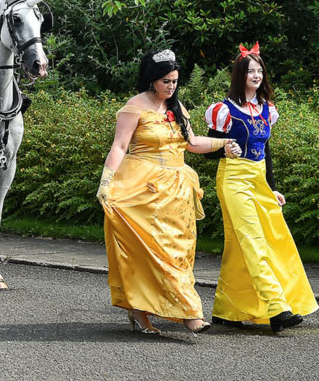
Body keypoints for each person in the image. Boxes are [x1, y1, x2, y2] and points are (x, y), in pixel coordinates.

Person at [96, 49, 233, 334]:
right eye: (166, 81)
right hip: (144, 190)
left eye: (174, 81)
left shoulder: (177, 108)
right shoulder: (134, 107)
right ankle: (177, 314)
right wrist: (106, 181)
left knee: (179, 253)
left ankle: (172, 309)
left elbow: (192, 142)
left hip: (178, 192)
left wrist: (223, 143)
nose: (171, 86)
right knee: (150, 253)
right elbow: (120, 146)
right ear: (152, 80)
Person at [203, 43, 318, 332]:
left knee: (265, 241)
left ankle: (227, 308)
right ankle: (276, 307)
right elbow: (206, 148)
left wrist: (272, 187)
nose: (256, 75)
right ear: (239, 75)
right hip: (233, 178)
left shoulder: (267, 109)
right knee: (252, 240)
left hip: (258, 180)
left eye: (260, 70)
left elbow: (266, 153)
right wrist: (224, 149)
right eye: (250, 71)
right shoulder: (224, 110)